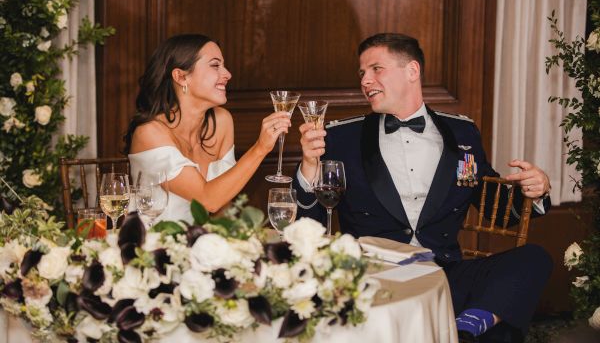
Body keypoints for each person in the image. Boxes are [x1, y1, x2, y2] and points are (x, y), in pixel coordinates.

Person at [293, 33, 553, 343]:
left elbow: (493, 206)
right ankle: (467, 332)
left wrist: (534, 191)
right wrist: (309, 165)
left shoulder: (461, 132)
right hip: (374, 277)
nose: (366, 80)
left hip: (443, 275)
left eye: (376, 69)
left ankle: (467, 330)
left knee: (534, 259)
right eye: (362, 72)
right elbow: (306, 226)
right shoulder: (341, 138)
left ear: (412, 71)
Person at [124, 34, 291, 223]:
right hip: (154, 247)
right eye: (215, 65)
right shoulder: (149, 133)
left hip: (203, 244)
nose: (227, 74)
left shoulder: (221, 121)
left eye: (223, 65)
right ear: (181, 77)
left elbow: (222, 204)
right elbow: (208, 200)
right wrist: (261, 148)